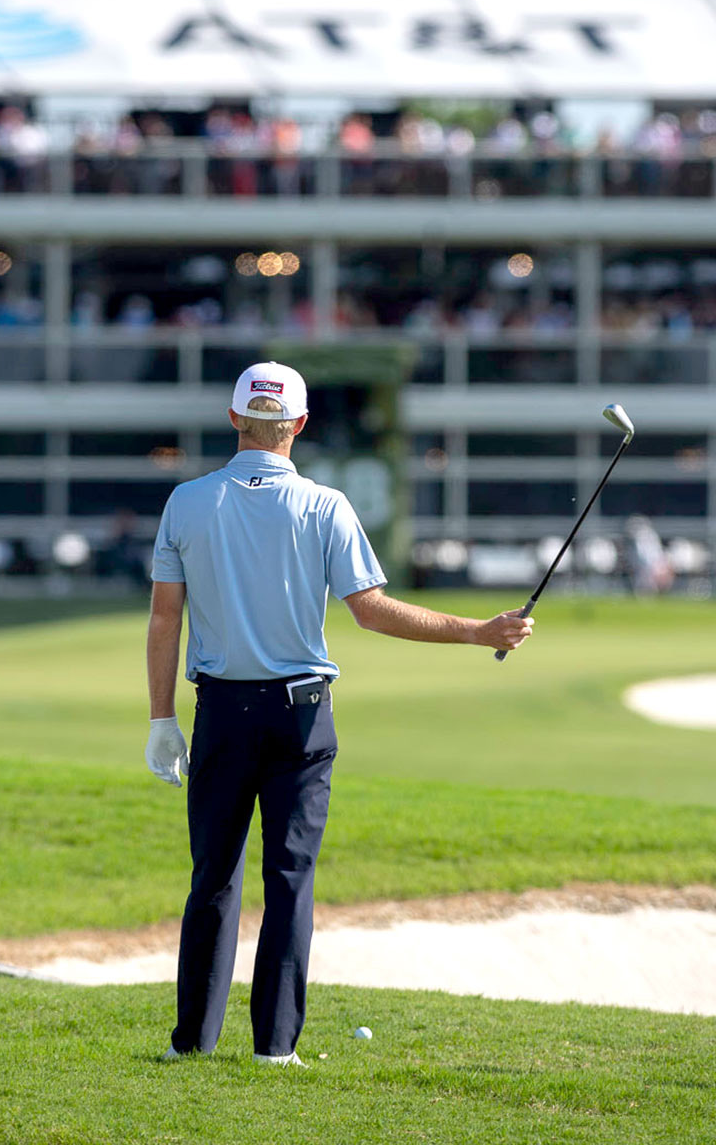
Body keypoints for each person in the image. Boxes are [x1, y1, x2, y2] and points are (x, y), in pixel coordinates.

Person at [145, 361, 533, 1066]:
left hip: (220, 712)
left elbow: (165, 619)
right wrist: (479, 631)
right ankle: (274, 1050)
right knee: (289, 879)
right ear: (298, 424)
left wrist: (159, 719)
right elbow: (373, 612)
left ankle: (191, 1042)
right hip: (300, 717)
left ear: (233, 419)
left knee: (214, 878)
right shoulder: (325, 506)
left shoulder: (186, 502)